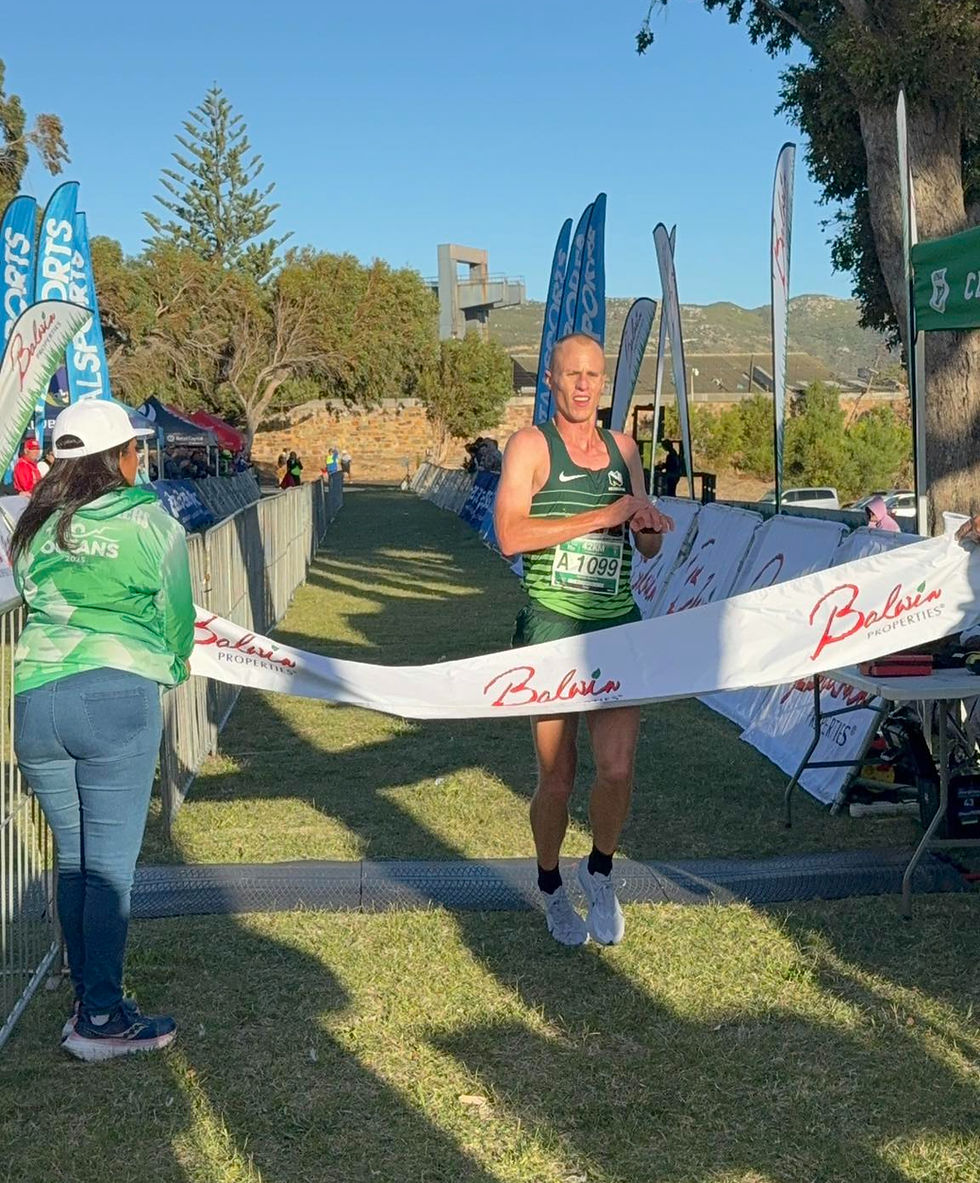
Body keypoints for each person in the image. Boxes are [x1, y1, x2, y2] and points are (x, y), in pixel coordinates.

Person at [11, 399, 195, 1061]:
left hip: (36, 700)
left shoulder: (31, 522)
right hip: (115, 694)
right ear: (121, 456)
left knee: (76, 859)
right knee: (110, 871)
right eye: (134, 450)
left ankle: (90, 999)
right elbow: (178, 616)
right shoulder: (149, 519)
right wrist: (169, 666)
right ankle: (99, 1017)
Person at [494, 332, 673, 948]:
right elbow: (511, 536)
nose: (581, 385)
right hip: (551, 624)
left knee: (618, 771)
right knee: (557, 778)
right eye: (570, 374)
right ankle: (549, 885)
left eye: (592, 376)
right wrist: (604, 515)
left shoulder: (624, 448)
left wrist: (647, 526)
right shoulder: (529, 446)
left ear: (603, 383)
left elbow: (643, 543)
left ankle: (599, 872)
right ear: (551, 379)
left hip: (615, 622)